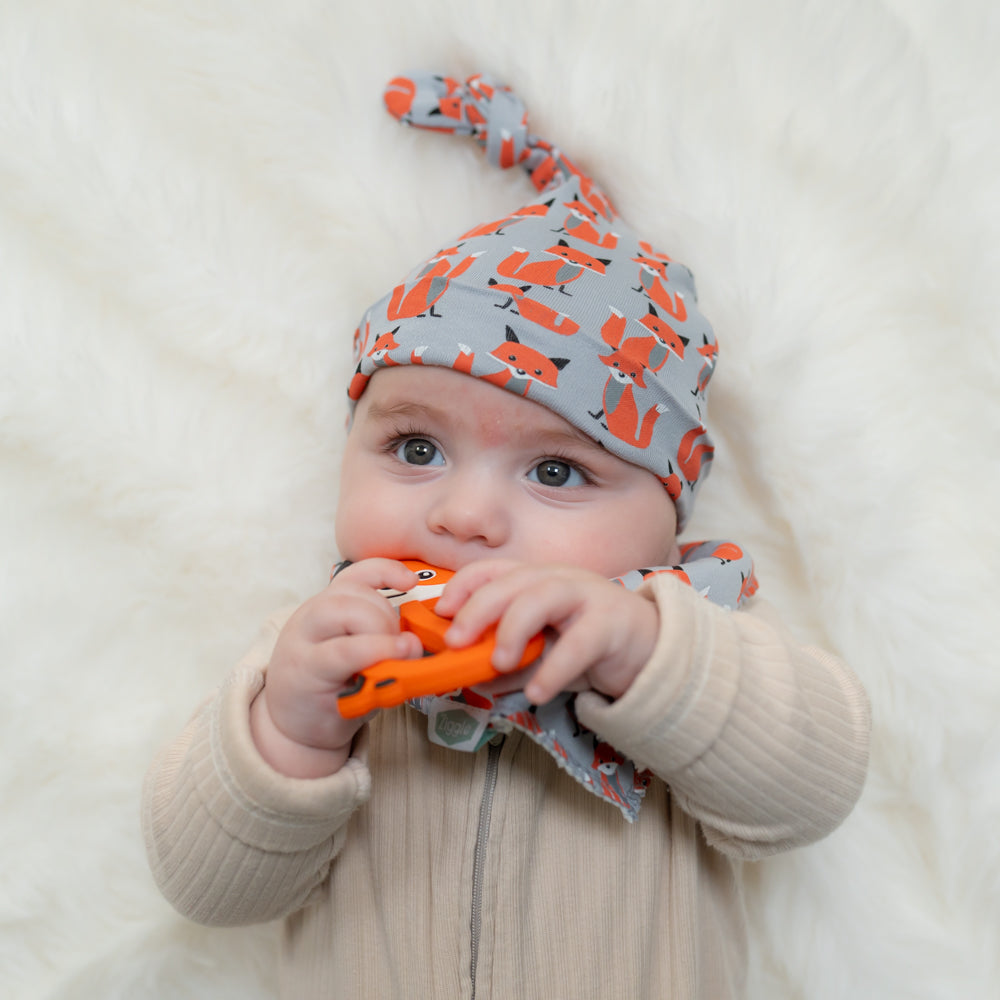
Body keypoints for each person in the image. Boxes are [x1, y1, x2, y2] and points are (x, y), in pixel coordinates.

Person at [142, 72, 870, 999]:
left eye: (556, 472)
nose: (466, 516)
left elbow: (814, 792)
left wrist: (642, 653)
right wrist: (289, 734)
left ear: (667, 522)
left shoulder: (687, 642)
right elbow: (206, 892)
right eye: (415, 448)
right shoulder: (322, 660)